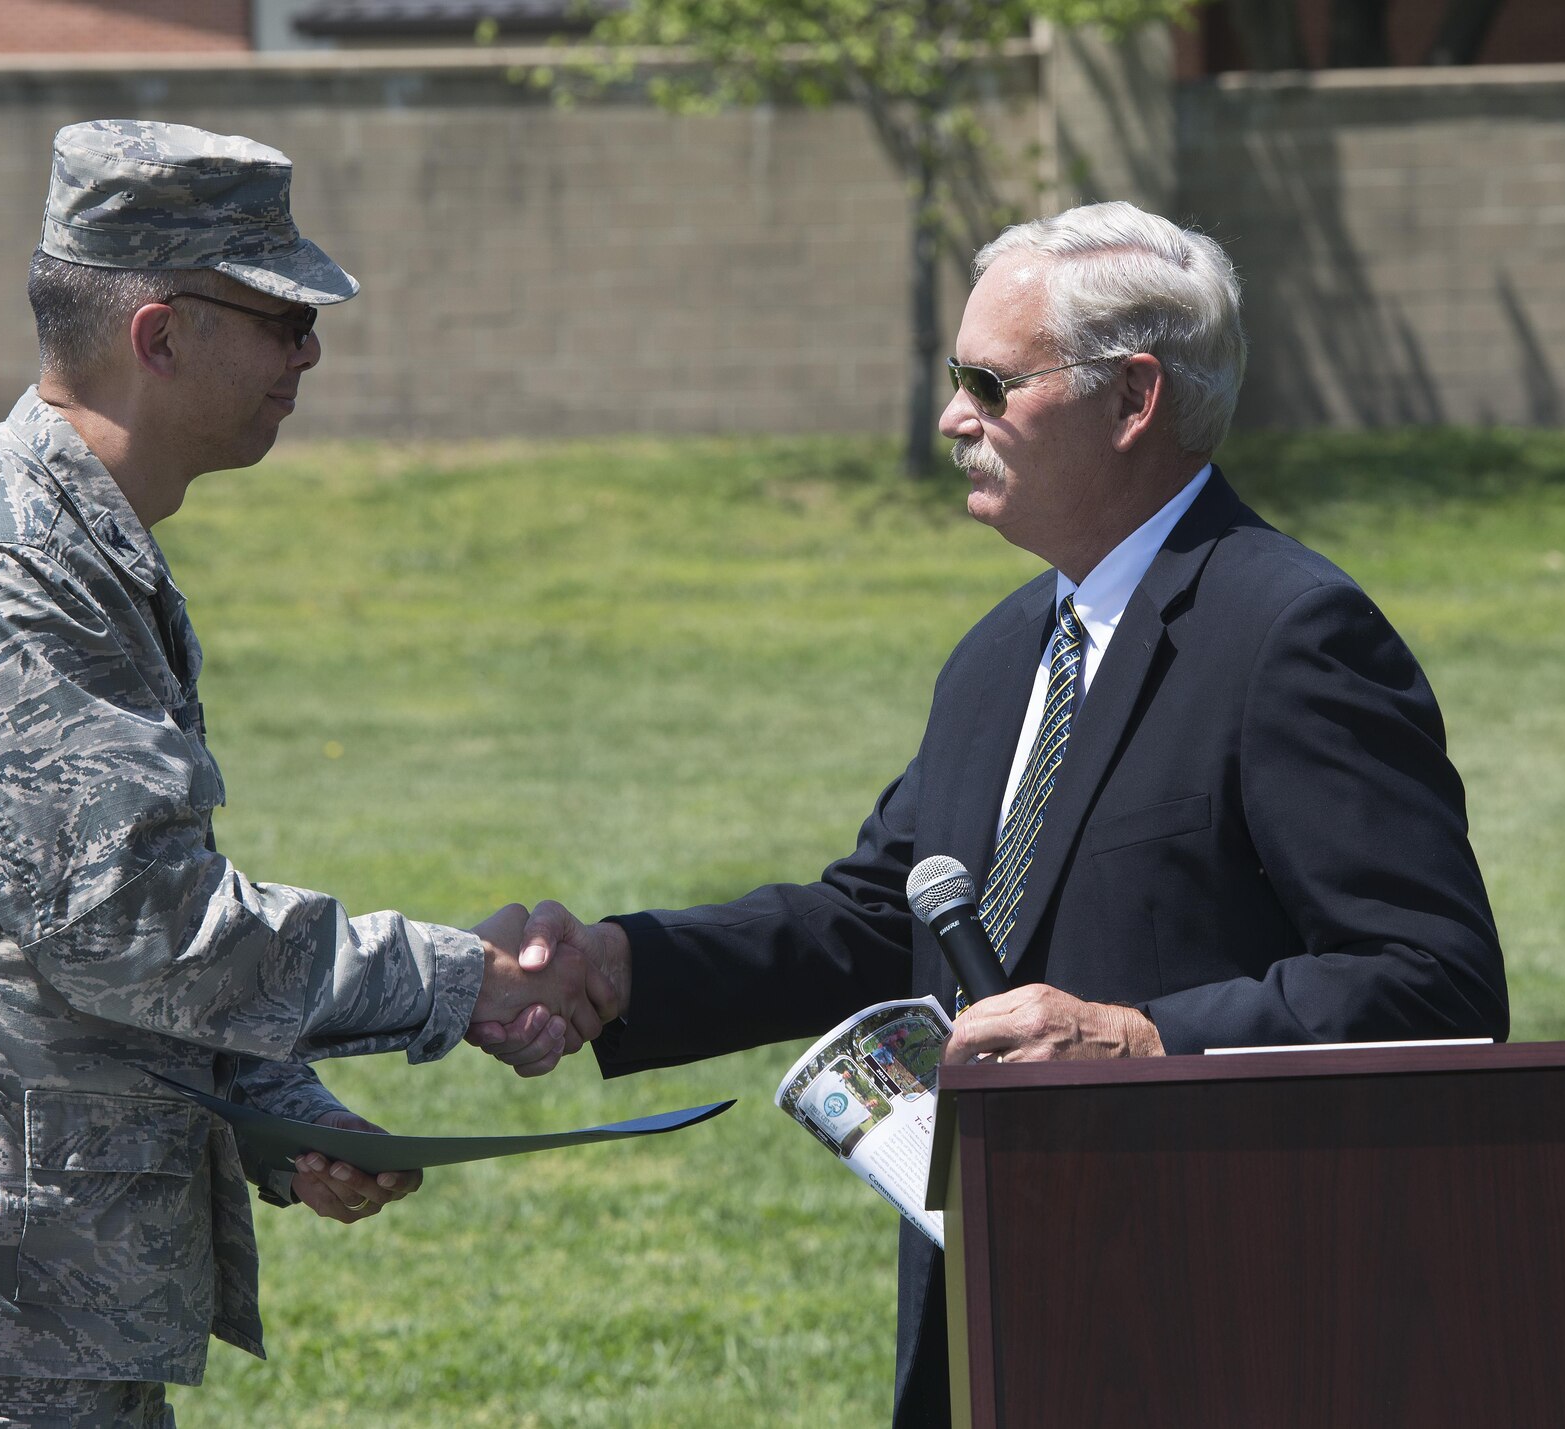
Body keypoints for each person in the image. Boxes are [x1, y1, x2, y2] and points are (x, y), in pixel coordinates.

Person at [469, 201, 1509, 1424]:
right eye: (950, 376)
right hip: (989, 1313)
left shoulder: (1288, 634)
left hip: (1207, 1313)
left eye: (988, 381)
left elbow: (1432, 983)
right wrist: (619, 963)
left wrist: (1138, 1041)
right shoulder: (1005, 649)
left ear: (1131, 399)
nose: (953, 417)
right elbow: (872, 920)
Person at [0, 120, 607, 1428]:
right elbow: (130, 928)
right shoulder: (19, 566)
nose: (309, 350)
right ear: (159, 334)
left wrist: (283, 1110)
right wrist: (451, 978)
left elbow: (78, 940)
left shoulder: (71, 539)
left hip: (13, 1295)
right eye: (278, 313)